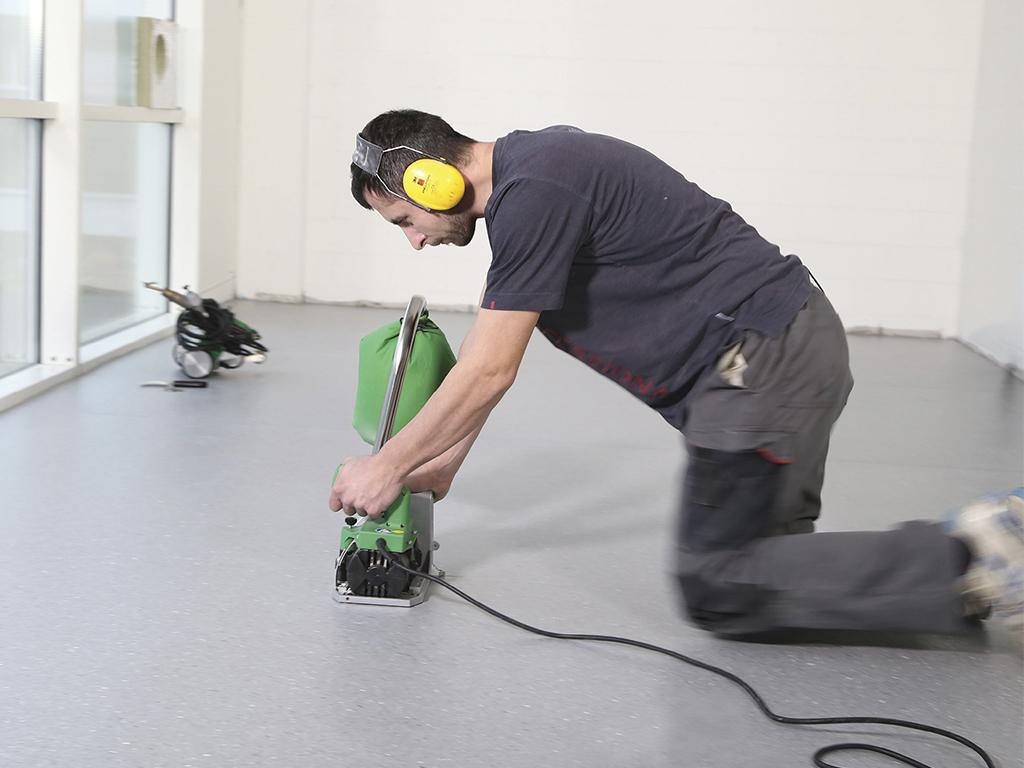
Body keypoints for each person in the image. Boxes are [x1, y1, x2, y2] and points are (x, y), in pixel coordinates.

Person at [329, 108, 1023, 642]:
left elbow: (489, 369)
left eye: (404, 220)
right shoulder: (535, 175)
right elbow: (497, 341)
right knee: (775, 575)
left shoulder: (535, 191)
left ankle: (977, 553)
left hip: (759, 367)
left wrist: (387, 466)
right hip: (785, 349)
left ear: (431, 180)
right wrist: (445, 462)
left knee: (719, 585)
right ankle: (970, 579)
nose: (414, 240)